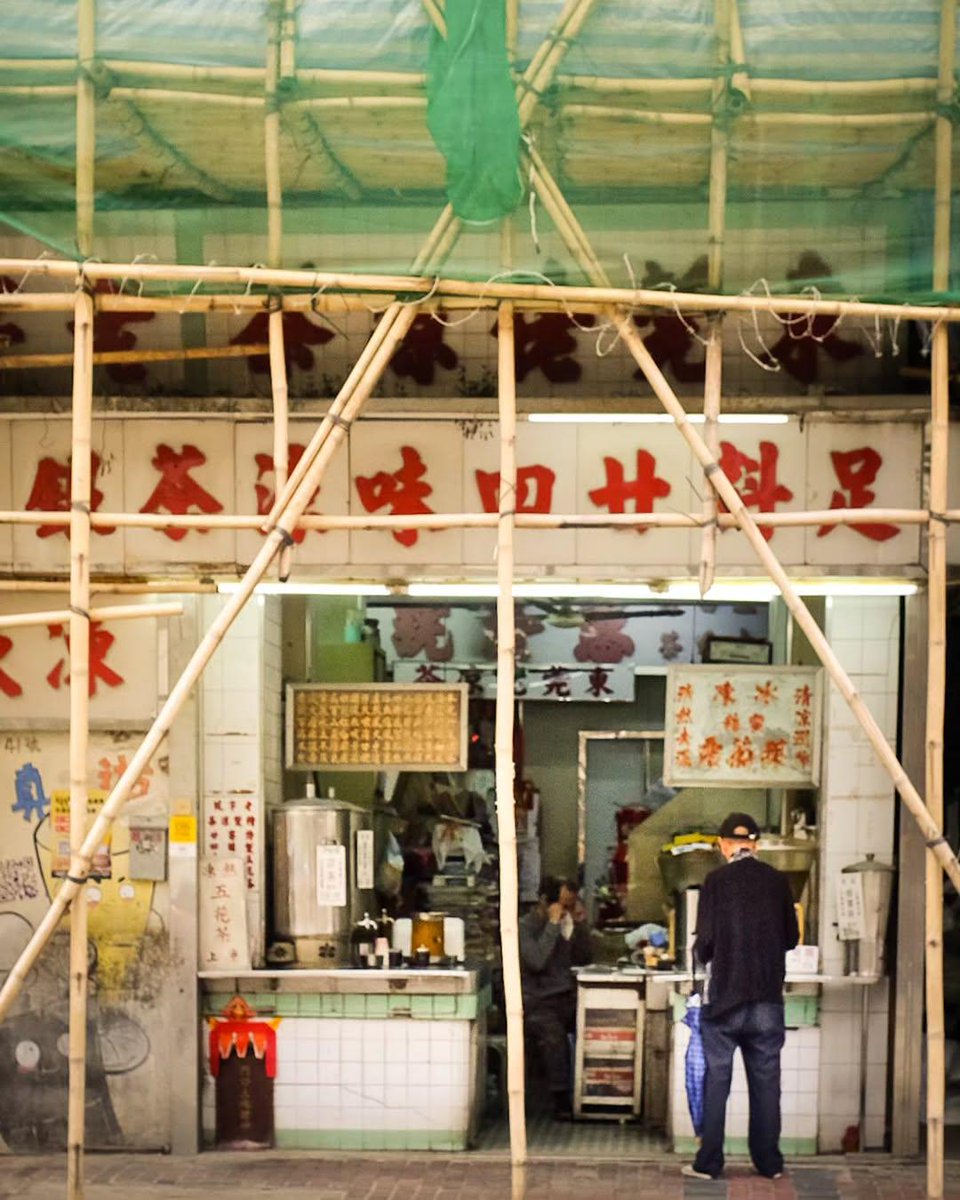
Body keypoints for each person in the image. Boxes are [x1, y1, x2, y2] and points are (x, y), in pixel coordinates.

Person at [682, 812, 799, 1181]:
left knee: (717, 1079)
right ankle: (769, 1164)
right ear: (756, 844)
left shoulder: (716, 881)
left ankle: (710, 1163)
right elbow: (792, 938)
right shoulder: (778, 881)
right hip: (766, 998)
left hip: (726, 1001)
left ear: (723, 845)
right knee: (766, 1083)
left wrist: (702, 954)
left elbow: (706, 944)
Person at [519, 876, 592, 1118]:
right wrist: (552, 925)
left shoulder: (567, 924)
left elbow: (584, 958)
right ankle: (559, 1097)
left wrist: (579, 927)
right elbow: (537, 960)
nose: (565, 911)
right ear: (544, 901)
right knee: (554, 1037)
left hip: (565, 996)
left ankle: (591, 1090)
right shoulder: (526, 926)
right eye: (563, 905)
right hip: (537, 1000)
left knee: (592, 1025)